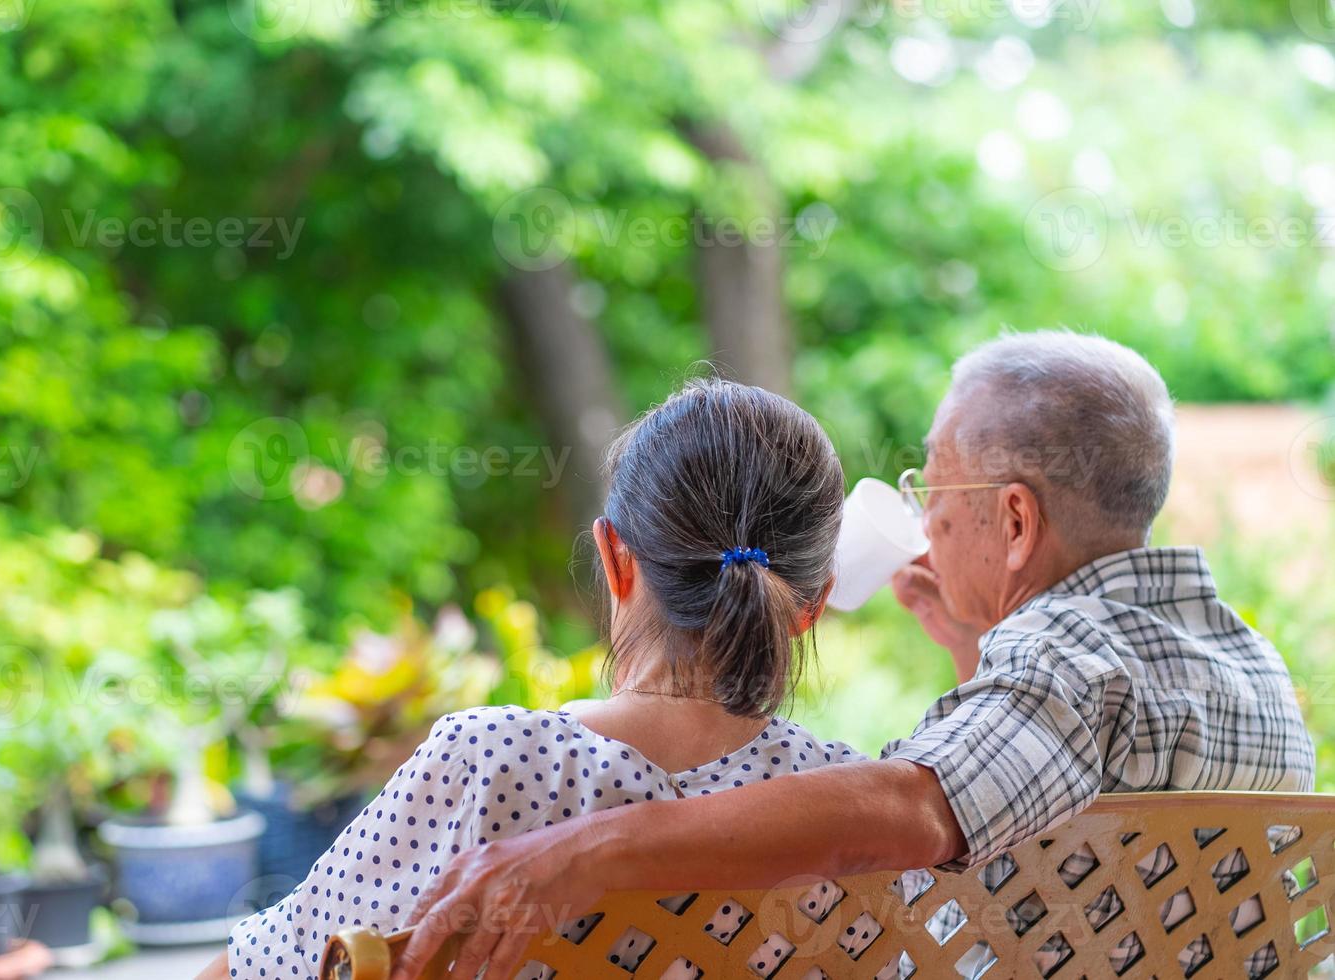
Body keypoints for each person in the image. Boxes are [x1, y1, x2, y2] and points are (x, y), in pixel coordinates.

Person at [390, 330, 1315, 980]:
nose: (924, 515)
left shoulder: (1063, 665)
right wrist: (975, 651)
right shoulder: (1247, 664)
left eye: (935, 484)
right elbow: (1078, 857)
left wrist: (580, 851)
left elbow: (908, 812)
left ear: (1016, 521)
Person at [198, 378, 866, 980]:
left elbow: (267, 966)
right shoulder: (854, 810)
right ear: (812, 603)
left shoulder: (495, 760)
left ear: (613, 555)